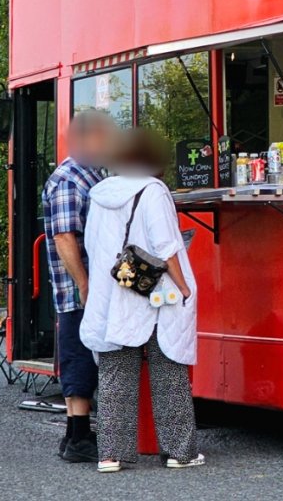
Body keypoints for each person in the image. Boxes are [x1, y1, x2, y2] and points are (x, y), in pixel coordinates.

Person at [82, 128, 203, 473]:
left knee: (115, 374)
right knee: (168, 368)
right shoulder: (153, 191)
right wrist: (184, 288)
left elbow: (91, 244)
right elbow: (166, 246)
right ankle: (179, 452)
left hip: (116, 288)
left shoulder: (100, 193)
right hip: (153, 293)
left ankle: (110, 454)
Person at [42, 109, 116, 463]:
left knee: (83, 354)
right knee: (80, 356)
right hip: (76, 290)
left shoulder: (91, 173)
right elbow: (64, 237)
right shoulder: (70, 179)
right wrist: (83, 284)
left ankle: (76, 434)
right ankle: (79, 438)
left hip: (88, 285)